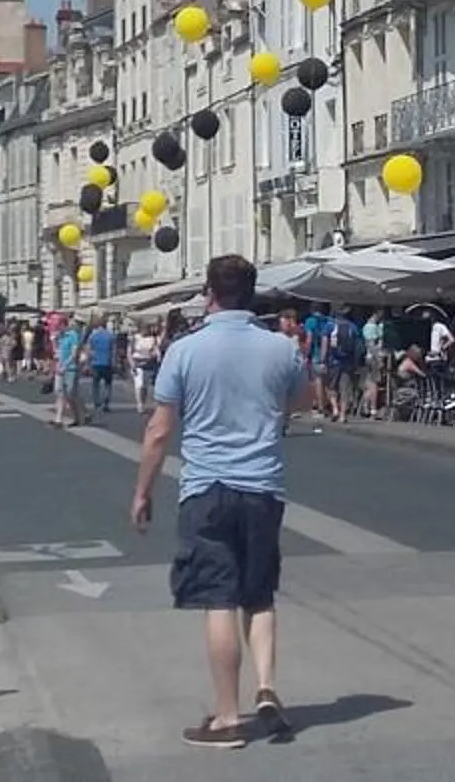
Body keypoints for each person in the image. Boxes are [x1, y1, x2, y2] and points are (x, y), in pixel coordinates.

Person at [131, 254, 306, 751]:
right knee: (260, 593)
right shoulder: (282, 348)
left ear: (210, 293)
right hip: (263, 486)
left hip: (207, 488)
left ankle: (229, 718)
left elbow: (160, 430)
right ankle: (267, 687)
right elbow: (302, 401)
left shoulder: (186, 351)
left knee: (218, 599)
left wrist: (143, 492)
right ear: (252, 295)